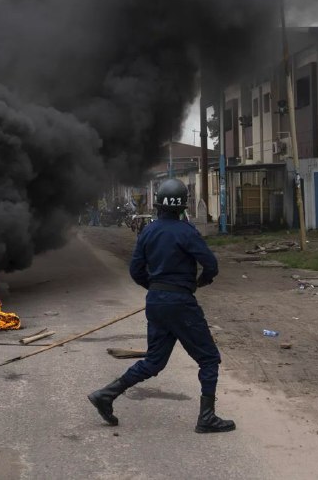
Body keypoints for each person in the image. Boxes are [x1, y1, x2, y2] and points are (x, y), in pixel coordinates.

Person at [87, 178, 235, 433]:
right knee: (209, 358)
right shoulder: (187, 231)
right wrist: (201, 281)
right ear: (182, 206)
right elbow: (211, 264)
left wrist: (155, 289)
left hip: (156, 302)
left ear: (158, 205)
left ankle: (106, 394)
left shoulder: (148, 231)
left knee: (154, 361)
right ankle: (207, 417)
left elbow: (135, 269)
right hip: (181, 303)